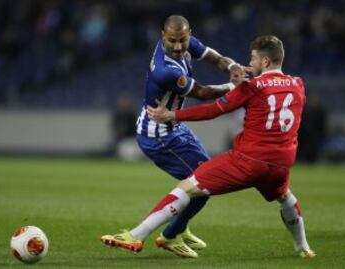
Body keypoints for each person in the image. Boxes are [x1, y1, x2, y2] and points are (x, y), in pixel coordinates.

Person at [101, 35, 316, 259]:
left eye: (253, 59)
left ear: (265, 62)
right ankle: (303, 247)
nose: (249, 63)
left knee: (189, 186)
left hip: (249, 160)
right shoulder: (298, 84)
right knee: (286, 199)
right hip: (281, 164)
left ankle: (137, 235)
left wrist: (173, 114)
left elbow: (213, 109)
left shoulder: (251, 87)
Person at [101, 15, 245, 258]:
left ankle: (180, 227)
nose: (178, 47)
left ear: (189, 35)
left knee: (203, 175)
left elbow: (213, 57)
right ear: (162, 36)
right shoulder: (166, 70)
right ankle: (171, 235)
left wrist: (232, 67)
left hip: (173, 125)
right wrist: (234, 87)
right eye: (172, 41)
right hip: (160, 135)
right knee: (203, 185)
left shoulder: (184, 44)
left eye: (182, 40)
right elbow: (202, 92)